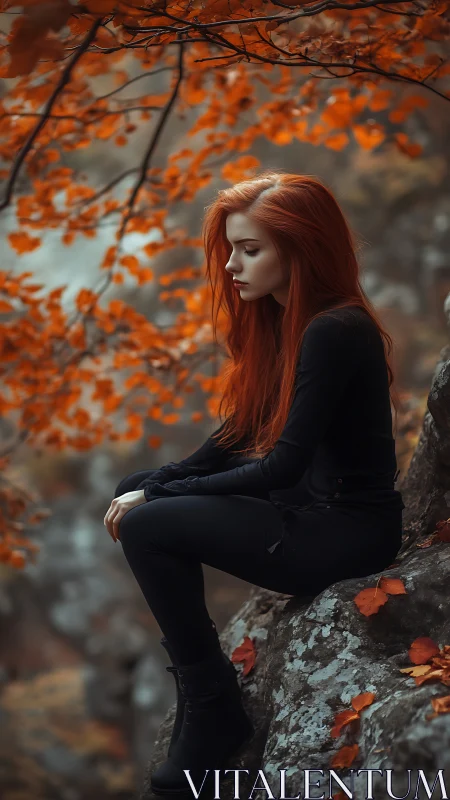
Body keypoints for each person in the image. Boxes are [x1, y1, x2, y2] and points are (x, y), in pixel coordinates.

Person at [103, 170, 405, 796]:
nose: (231, 265)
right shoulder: (287, 319)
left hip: (345, 532)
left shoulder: (335, 328)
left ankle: (212, 702)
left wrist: (157, 497)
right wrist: (160, 480)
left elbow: (280, 466)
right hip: (311, 506)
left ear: (301, 249)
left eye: (250, 249)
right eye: (231, 249)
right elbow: (240, 434)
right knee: (136, 485)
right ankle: (205, 690)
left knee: (146, 522)